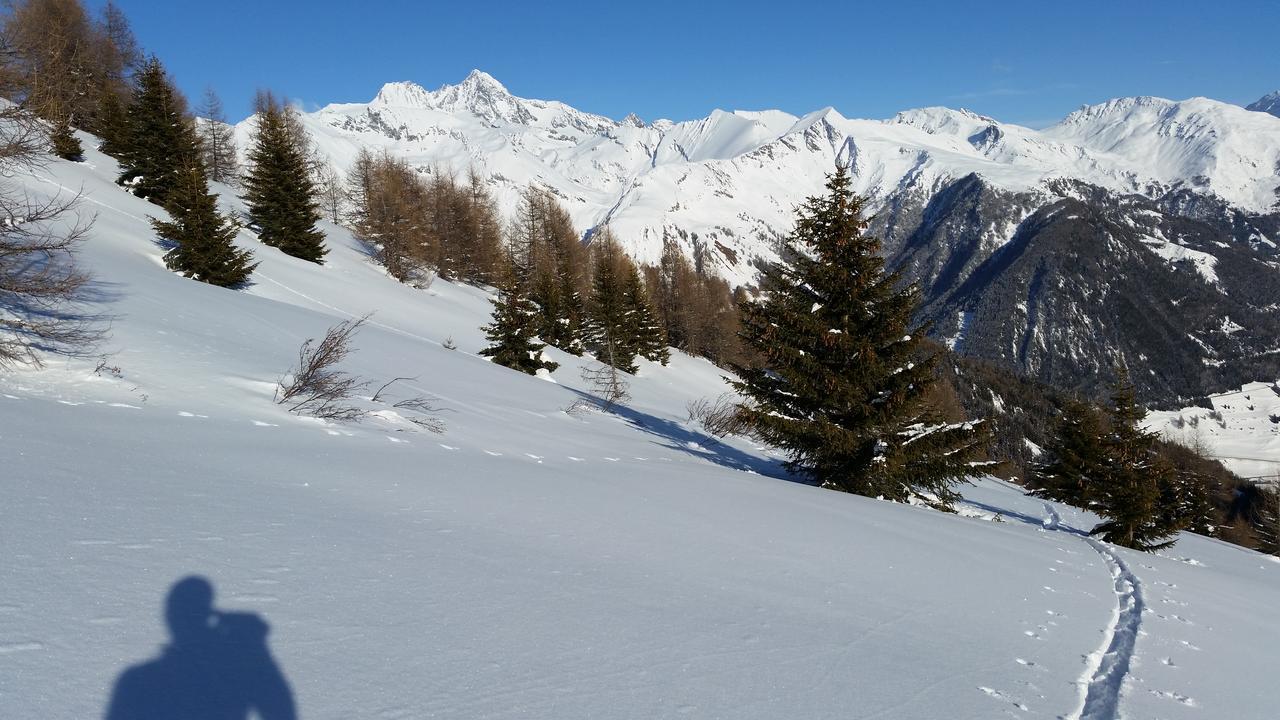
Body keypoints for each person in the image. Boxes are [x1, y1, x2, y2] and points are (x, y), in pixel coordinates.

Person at [105, 576, 297, 720]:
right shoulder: (235, 677)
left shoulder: (138, 681)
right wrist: (257, 652)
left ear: (170, 618)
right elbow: (280, 712)